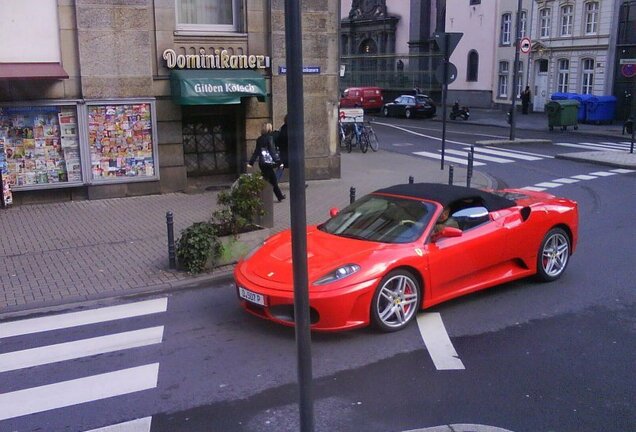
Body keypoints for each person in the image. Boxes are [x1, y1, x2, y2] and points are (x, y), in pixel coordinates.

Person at [248, 122, 285, 202]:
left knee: (273, 180)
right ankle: (258, 197)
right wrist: (278, 162)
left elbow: (256, 151)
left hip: (262, 163)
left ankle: (280, 196)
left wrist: (251, 162)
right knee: (266, 181)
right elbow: (272, 151)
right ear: (269, 129)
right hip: (268, 163)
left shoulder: (259, 139)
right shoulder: (269, 138)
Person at [275, 114, 288, 181]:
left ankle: (274, 182)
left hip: (283, 152)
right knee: (296, 167)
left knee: (281, 167)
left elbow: (278, 140)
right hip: (288, 152)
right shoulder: (288, 129)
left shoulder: (282, 128)